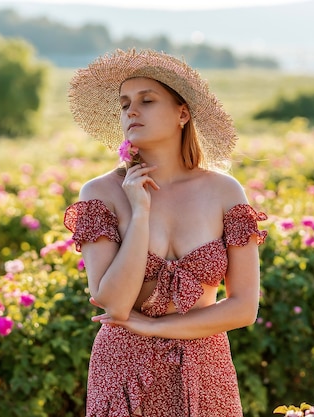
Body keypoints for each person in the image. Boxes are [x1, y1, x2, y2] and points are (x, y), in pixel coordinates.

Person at [63, 49, 267, 417]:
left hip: (206, 367)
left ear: (182, 113)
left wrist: (158, 328)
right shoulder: (100, 194)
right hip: (124, 366)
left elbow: (244, 308)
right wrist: (140, 213)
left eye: (147, 100)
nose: (131, 112)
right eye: (124, 104)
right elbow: (113, 302)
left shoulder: (225, 192)